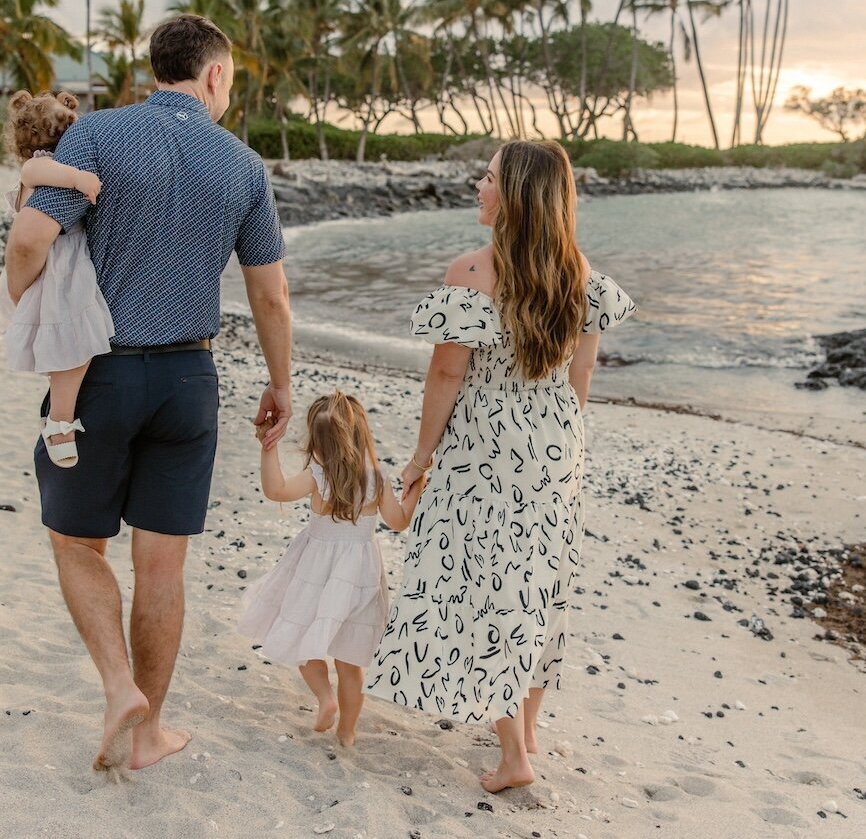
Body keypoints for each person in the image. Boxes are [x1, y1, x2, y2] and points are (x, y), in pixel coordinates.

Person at [4, 14, 293, 774]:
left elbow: (33, 237)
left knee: (76, 542)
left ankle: (116, 688)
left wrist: (17, 305)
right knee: (162, 567)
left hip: (100, 374)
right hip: (189, 380)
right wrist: (281, 381)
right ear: (215, 75)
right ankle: (147, 735)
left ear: (155, 65)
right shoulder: (243, 165)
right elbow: (269, 298)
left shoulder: (97, 136)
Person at [366, 140, 635, 793]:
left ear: (514, 195)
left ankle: (515, 754)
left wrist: (422, 454)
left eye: (486, 179)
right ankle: (530, 726)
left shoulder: (473, 271)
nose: (477, 189)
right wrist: (558, 440)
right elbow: (583, 372)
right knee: (540, 581)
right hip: (555, 439)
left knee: (489, 589)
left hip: (486, 440)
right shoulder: (581, 273)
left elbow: (447, 372)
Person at [237, 391, 415, 748]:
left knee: (305, 642)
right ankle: (347, 732)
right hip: (359, 577)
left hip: (314, 570)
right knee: (350, 663)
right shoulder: (376, 478)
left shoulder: (317, 475)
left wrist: (268, 446)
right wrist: (416, 488)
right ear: (361, 434)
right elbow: (398, 522)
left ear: (317, 440)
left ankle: (325, 698)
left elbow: (276, 490)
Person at [0, 89, 113, 468]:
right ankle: (60, 422)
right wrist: (78, 178)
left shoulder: (52, 163)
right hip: (58, 266)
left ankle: (59, 416)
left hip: (62, 262)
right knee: (74, 346)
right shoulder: (41, 166)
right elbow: (33, 172)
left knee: (69, 348)